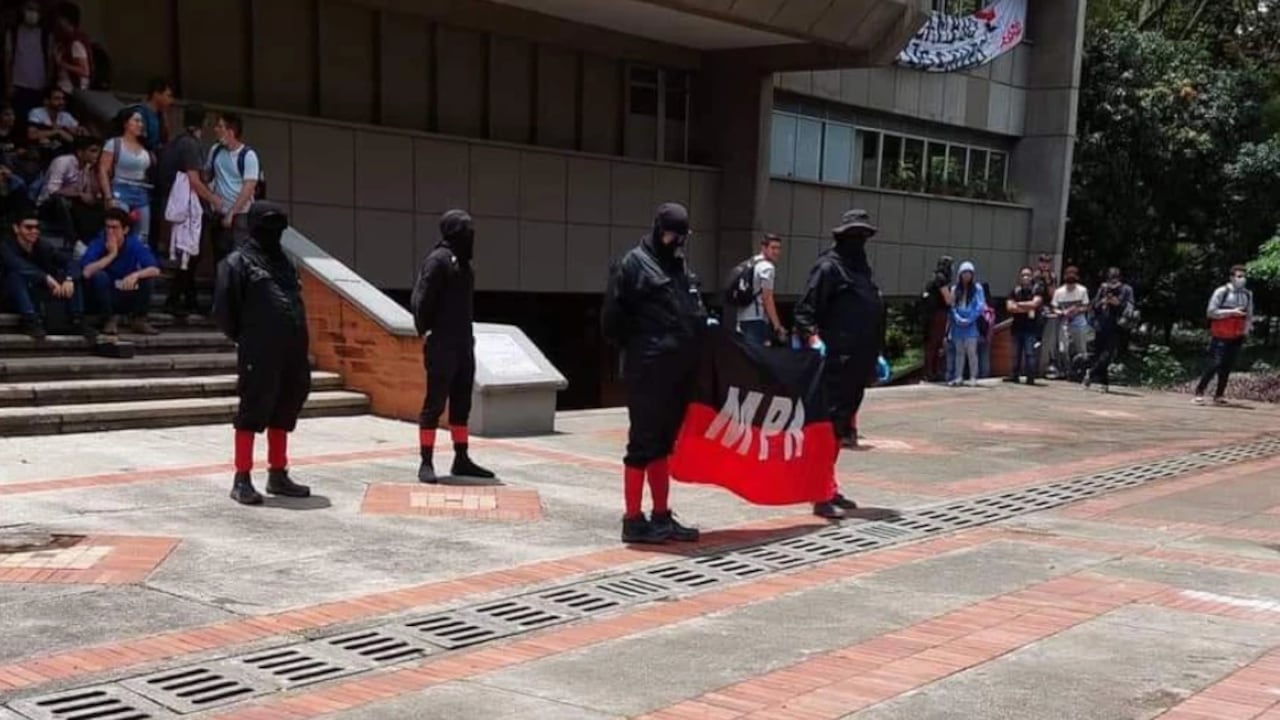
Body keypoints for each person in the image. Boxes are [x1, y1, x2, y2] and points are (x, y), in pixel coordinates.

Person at [602, 202, 706, 544]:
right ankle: (633, 520)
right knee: (642, 444)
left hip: (678, 372)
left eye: (682, 236)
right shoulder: (632, 264)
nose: (677, 242)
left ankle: (661, 516)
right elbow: (612, 322)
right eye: (673, 235)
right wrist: (645, 348)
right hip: (647, 370)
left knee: (663, 444)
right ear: (659, 230)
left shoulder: (678, 265)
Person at [212, 202, 313, 505]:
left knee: (286, 406)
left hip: (293, 350)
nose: (274, 233)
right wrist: (248, 338)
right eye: (269, 226)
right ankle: (242, 478)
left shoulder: (285, 262)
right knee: (253, 409)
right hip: (259, 350)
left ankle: (278, 473)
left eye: (279, 228)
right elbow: (224, 311)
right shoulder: (236, 262)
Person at [794, 209, 886, 519]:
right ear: (843, 237)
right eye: (855, 236)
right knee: (827, 428)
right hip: (835, 362)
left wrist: (876, 353)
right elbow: (805, 312)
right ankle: (819, 493)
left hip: (859, 362)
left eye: (864, 236)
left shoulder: (862, 270)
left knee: (841, 429)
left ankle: (829, 485)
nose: (860, 242)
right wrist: (813, 340)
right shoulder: (828, 268)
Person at [411, 209, 494, 485]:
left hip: (463, 342)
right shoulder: (438, 261)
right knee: (434, 403)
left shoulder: (465, 264)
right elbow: (421, 300)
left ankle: (461, 458)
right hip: (442, 343)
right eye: (465, 230)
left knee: (462, 403)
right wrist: (426, 331)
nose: (470, 236)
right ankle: (426, 461)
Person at [158, 104, 219, 319]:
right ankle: (174, 300)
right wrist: (213, 199)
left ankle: (189, 299)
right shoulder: (191, 145)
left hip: (176, 203)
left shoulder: (175, 143)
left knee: (190, 254)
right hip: (189, 207)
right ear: (204, 123)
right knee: (191, 253)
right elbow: (194, 179)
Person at [1, 205, 89, 339]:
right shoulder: (5, 246)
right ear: (16, 228)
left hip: (36, 291)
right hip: (10, 295)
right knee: (15, 276)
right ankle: (30, 320)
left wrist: (69, 279)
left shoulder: (43, 245)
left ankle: (77, 319)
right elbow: (17, 265)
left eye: (37, 228)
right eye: (28, 227)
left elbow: (71, 262)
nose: (34, 231)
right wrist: (45, 277)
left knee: (69, 276)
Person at [79, 207, 160, 336]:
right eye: (108, 227)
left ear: (125, 230)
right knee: (99, 276)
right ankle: (108, 319)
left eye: (115, 228)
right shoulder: (98, 243)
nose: (110, 231)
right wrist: (111, 255)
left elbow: (155, 269)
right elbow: (86, 272)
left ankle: (139, 319)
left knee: (147, 278)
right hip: (102, 295)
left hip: (124, 290)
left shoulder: (134, 244)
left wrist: (136, 275)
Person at [1194, 266, 1254, 406]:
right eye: (1239, 276)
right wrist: (1231, 312)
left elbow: (1249, 314)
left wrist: (1246, 331)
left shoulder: (1247, 294)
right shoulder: (1222, 291)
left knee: (1227, 366)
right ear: (1231, 277)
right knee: (1215, 363)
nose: (1242, 279)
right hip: (1221, 334)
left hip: (1237, 334)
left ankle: (1219, 395)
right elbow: (1211, 312)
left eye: (1243, 277)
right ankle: (1200, 391)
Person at [207, 112, 260, 263]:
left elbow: (248, 187)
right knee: (219, 257)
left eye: (220, 126)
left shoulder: (248, 155)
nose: (216, 129)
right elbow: (208, 174)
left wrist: (232, 212)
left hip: (240, 215)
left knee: (237, 258)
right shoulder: (216, 150)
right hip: (218, 213)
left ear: (231, 131)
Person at [38, 134, 100, 244]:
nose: (97, 155)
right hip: (48, 204)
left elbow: (89, 193)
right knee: (62, 201)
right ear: (80, 152)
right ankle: (73, 241)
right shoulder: (62, 162)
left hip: (73, 202)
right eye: (93, 151)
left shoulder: (87, 167)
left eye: (98, 151)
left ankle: (93, 241)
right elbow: (52, 190)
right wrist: (79, 194)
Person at [1084, 267, 1136, 393]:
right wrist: (1103, 301)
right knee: (1099, 353)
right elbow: (1094, 305)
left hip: (1117, 326)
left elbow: (1130, 307)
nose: (1112, 285)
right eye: (1110, 281)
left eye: (1115, 281)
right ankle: (1104, 382)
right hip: (1101, 325)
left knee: (1108, 355)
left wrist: (1117, 303)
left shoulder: (1126, 290)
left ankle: (1091, 373)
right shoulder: (1103, 288)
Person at [733, 233, 785, 346]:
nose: (776, 252)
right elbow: (767, 298)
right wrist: (777, 325)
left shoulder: (751, 262)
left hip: (741, 317)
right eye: (773, 248)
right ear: (764, 248)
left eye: (778, 248)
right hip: (756, 319)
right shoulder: (767, 268)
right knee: (755, 357)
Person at [948, 261, 984, 387]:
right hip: (958, 326)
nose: (967, 276)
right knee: (959, 352)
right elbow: (951, 306)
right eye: (964, 273)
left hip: (971, 325)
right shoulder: (954, 289)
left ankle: (973, 376)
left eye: (969, 273)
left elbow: (980, 306)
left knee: (971, 352)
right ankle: (958, 376)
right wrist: (957, 317)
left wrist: (970, 319)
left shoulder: (977, 288)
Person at [1005, 266, 1044, 385]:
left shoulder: (1036, 289)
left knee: (1030, 354)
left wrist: (1018, 305)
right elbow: (1009, 307)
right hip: (1016, 327)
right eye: (1023, 275)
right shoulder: (1015, 290)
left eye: (1028, 275)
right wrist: (1026, 308)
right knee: (1015, 354)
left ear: (1032, 277)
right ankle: (1014, 375)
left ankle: (1030, 377)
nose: (1025, 277)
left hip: (1031, 329)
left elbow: (1035, 303)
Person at [1051, 266, 1091, 377]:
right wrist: (1061, 312)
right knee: (1063, 349)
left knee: (1081, 350)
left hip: (1079, 324)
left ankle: (1082, 372)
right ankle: (1067, 370)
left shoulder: (1082, 290)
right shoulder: (1059, 292)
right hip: (1064, 323)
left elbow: (1086, 306)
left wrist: (1076, 310)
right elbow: (1054, 307)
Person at [922, 255, 953, 382]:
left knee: (931, 343)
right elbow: (948, 299)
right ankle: (932, 371)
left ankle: (930, 371)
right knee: (935, 343)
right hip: (938, 314)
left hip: (929, 314)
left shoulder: (933, 277)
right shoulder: (942, 279)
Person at [1034, 253, 1059, 375]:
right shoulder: (1034, 276)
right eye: (1043, 261)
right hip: (1035, 305)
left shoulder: (1052, 276)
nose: (1045, 264)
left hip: (1047, 307)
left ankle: (1050, 361)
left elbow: (1053, 295)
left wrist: (1048, 281)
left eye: (1047, 262)